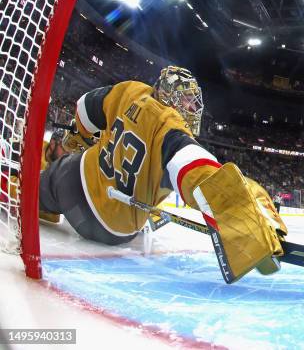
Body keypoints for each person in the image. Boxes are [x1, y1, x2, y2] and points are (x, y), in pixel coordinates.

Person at [39, 66, 287, 282]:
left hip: (73, 184)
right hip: (113, 231)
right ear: (170, 96)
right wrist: (243, 213)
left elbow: (84, 108)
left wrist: (78, 136)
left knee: (55, 175)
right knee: (153, 181)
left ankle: (33, 196)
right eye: (187, 100)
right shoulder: (173, 131)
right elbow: (200, 173)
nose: (192, 107)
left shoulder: (130, 91)